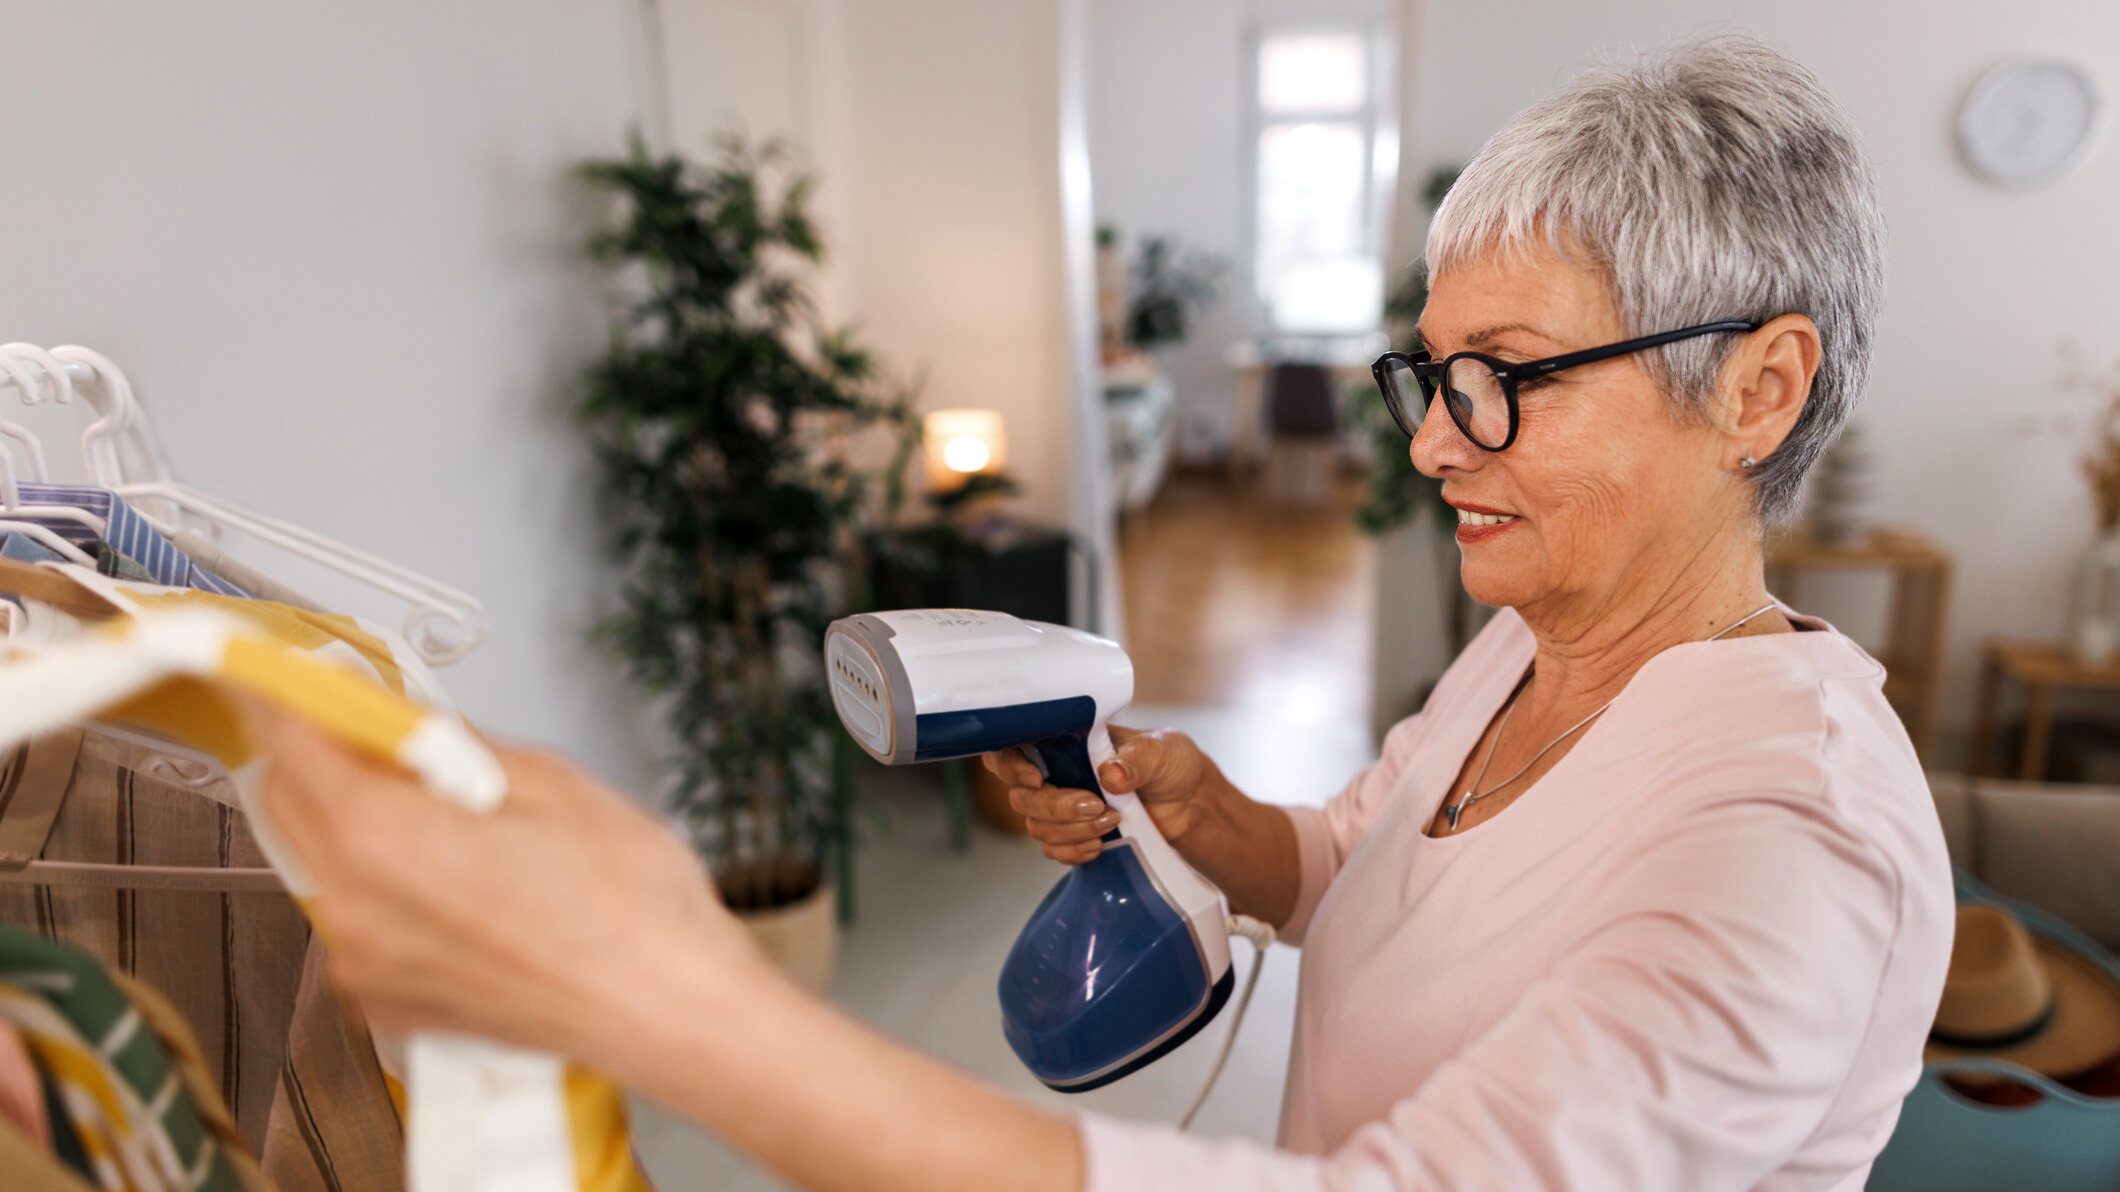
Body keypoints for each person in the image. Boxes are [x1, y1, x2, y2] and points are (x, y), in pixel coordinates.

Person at [241, 34, 1954, 1192]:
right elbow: (1368, 856)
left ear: (1758, 391)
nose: (1433, 442)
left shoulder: (1787, 830)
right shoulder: (1535, 641)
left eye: (1502, 381)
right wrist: (1214, 821)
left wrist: (672, 1005)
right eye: (1430, 374)